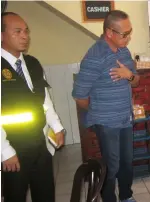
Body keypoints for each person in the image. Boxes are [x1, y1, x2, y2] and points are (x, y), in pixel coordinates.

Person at [72, 10, 139, 202]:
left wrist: (129, 75)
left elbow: (136, 81)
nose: (128, 37)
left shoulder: (124, 51)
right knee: (111, 166)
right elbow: (79, 96)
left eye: (130, 32)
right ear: (109, 32)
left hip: (126, 119)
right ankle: (109, 198)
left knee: (127, 163)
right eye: (124, 34)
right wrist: (99, 114)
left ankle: (126, 196)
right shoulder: (94, 56)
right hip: (107, 123)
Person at [1, 12, 65, 202]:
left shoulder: (32, 63)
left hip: (38, 143)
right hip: (12, 147)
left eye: (26, 31)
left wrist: (57, 126)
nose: (25, 36)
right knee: (15, 196)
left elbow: (44, 100)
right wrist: (5, 151)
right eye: (18, 31)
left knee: (45, 194)